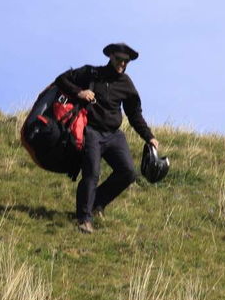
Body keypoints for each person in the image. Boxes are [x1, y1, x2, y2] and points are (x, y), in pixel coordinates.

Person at [54, 43, 160, 233]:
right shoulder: (92, 73)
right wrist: (80, 92)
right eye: (119, 59)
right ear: (110, 56)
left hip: (114, 135)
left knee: (128, 172)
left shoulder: (126, 84)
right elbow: (61, 79)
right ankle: (83, 219)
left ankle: (97, 204)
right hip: (92, 132)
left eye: (126, 61)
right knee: (92, 174)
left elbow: (134, 114)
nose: (122, 64)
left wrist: (149, 137)